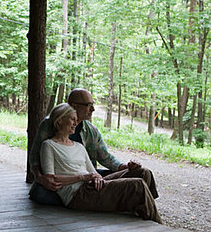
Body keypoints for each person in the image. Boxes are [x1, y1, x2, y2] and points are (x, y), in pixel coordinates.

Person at [29, 88, 158, 205]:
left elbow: (105, 157)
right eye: (89, 105)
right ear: (74, 106)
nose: (93, 109)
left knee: (142, 173)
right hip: (67, 182)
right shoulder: (49, 124)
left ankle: (146, 206)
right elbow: (35, 156)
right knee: (40, 193)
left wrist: (125, 167)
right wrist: (40, 178)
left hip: (90, 176)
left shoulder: (91, 130)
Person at [39, 103, 161, 223]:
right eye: (72, 119)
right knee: (137, 185)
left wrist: (96, 177)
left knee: (143, 173)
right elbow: (52, 179)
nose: (76, 123)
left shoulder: (78, 146)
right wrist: (83, 177)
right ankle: (156, 223)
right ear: (60, 121)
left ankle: (146, 213)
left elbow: (93, 172)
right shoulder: (49, 145)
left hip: (91, 185)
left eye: (77, 120)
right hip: (77, 194)